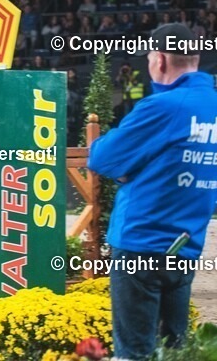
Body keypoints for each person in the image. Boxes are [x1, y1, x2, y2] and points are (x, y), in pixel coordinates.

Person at [88, 23, 217, 360]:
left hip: (141, 244)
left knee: (133, 353)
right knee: (175, 351)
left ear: (159, 60)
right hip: (185, 247)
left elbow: (101, 157)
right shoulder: (211, 104)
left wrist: (127, 172)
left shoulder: (163, 107)